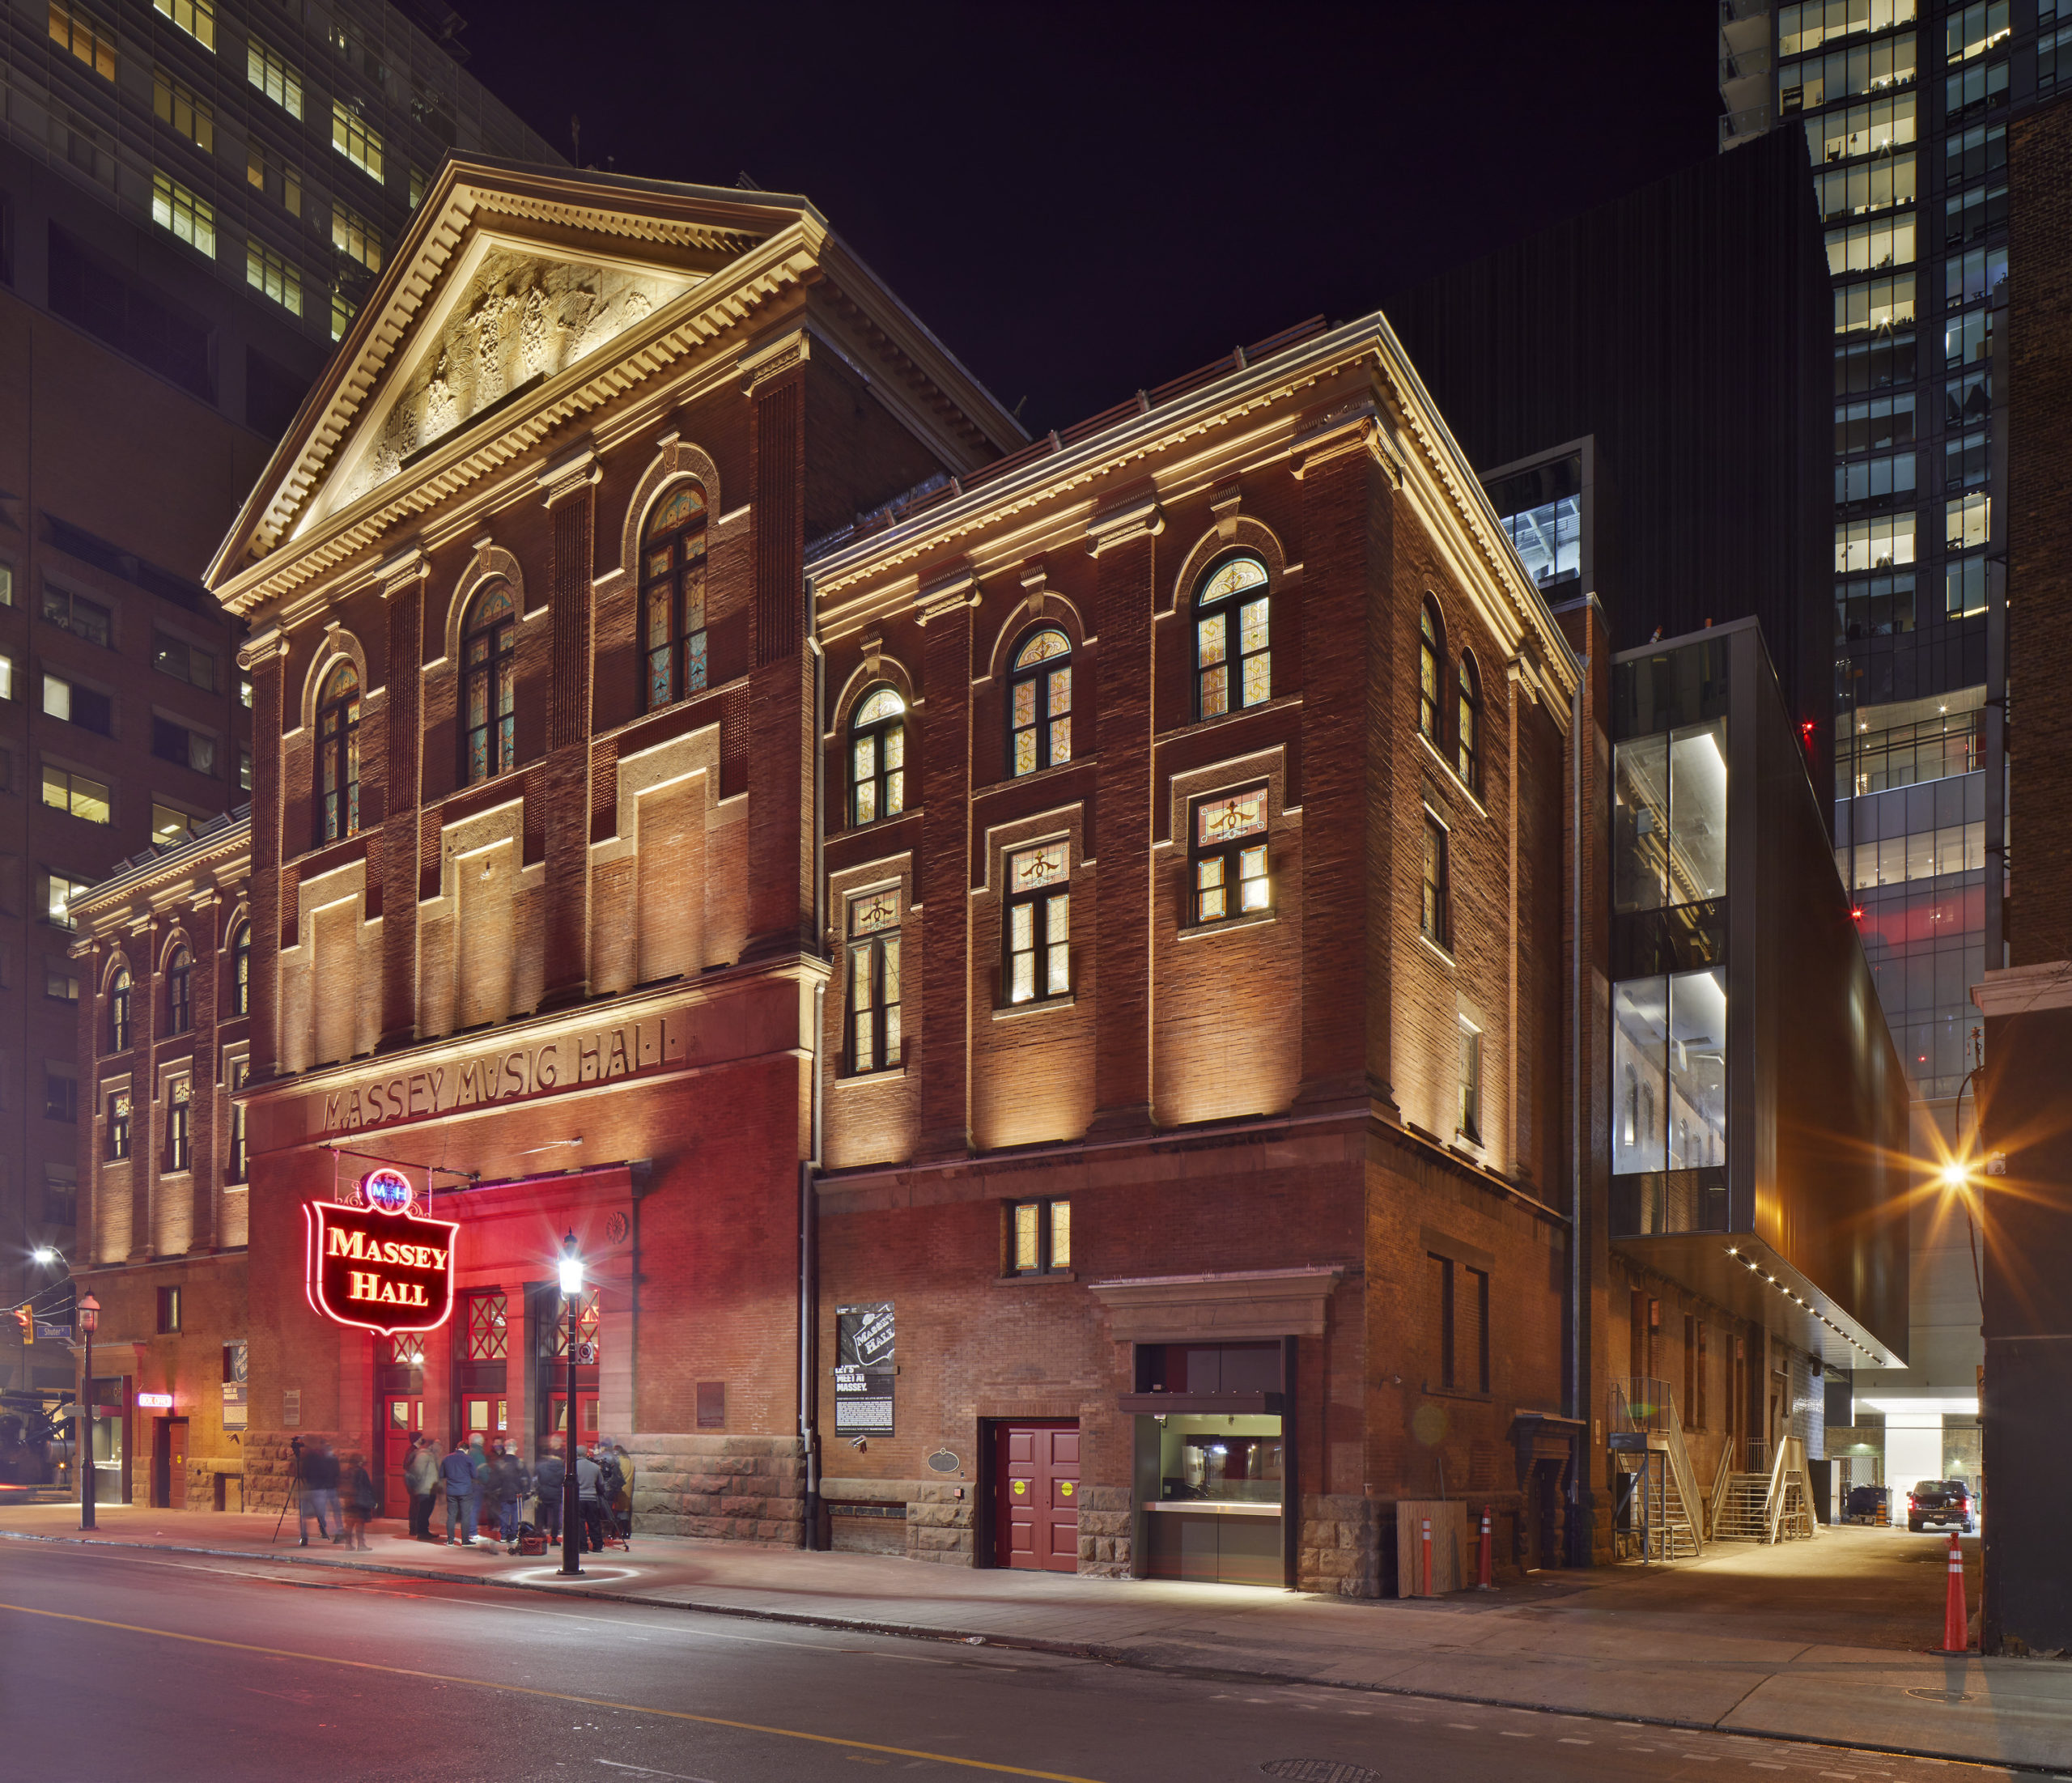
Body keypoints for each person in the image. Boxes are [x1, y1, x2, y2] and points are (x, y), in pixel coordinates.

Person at [440, 1437, 478, 1545]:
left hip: (451, 1491)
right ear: (467, 1450)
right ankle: (465, 1540)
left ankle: (450, 1540)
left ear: (457, 1448)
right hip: (465, 1491)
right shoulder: (468, 1459)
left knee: (451, 1515)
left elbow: (442, 1475)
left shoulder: (446, 1458)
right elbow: (474, 1475)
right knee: (465, 1515)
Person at [307, 1440, 343, 1543]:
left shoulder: (324, 1460)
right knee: (328, 1511)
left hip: (326, 1488)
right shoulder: (331, 1459)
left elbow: (334, 1473)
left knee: (326, 1511)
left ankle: (332, 1531)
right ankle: (335, 1531)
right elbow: (337, 1473)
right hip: (328, 1488)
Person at [295, 1438, 329, 1547]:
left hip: (309, 1488)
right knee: (321, 1513)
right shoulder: (321, 1458)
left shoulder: (305, 1459)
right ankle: (323, 1530)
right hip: (318, 1489)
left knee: (304, 1515)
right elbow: (325, 1473)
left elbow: (301, 1472)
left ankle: (304, 1537)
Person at [404, 1435, 439, 1542]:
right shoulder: (420, 1453)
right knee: (421, 1509)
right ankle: (418, 1531)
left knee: (424, 1509)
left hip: (426, 1486)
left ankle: (422, 1530)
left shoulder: (426, 1454)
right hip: (422, 1487)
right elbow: (416, 1470)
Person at [341, 1451, 376, 1550]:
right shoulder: (361, 1472)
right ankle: (361, 1544)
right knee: (360, 1523)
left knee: (349, 1524)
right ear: (359, 1462)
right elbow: (367, 1487)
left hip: (349, 1501)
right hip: (359, 1501)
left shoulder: (346, 1472)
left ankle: (348, 1544)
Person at [492, 1441, 524, 1543]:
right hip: (516, 1492)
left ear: (505, 1448)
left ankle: (504, 1535)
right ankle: (514, 1535)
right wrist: (524, 1490)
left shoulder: (500, 1462)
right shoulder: (519, 1462)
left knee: (505, 1513)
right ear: (516, 1448)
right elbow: (524, 1478)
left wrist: (495, 1490)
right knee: (515, 1514)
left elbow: (495, 1479)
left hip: (504, 1491)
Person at [533, 1442, 565, 1543]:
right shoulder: (563, 1467)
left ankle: (539, 1534)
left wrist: (537, 1490)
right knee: (556, 1516)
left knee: (540, 1515)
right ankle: (554, 1537)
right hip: (556, 1493)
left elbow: (535, 1479)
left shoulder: (541, 1466)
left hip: (543, 1492)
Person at [575, 1443, 605, 1552]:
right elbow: (601, 1484)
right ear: (586, 1453)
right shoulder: (594, 1467)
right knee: (594, 1523)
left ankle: (582, 1547)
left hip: (578, 1499)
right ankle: (597, 1545)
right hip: (592, 1498)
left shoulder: (572, 1467)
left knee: (580, 1524)